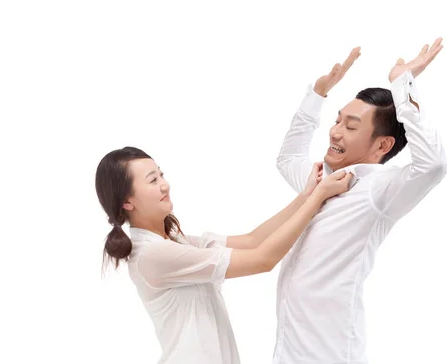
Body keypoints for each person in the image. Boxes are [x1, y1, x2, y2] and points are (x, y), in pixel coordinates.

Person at [273, 38, 447, 364]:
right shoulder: (319, 181)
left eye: (350, 126)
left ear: (383, 145)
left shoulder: (378, 190)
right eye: (337, 120)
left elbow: (434, 165)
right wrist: (318, 94)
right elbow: (288, 158)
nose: (335, 132)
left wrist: (401, 85)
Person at [95, 146, 353, 364]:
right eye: (153, 180)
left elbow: (253, 241)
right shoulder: (153, 255)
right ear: (127, 202)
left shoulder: (175, 241)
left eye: (161, 174)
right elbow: (263, 259)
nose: (165, 184)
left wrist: (307, 195)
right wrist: (318, 197)